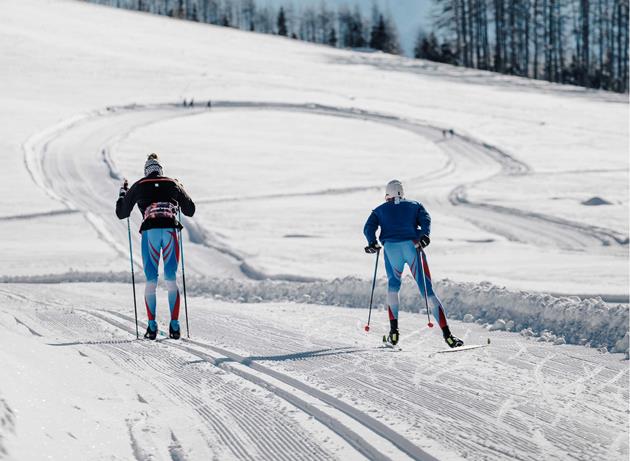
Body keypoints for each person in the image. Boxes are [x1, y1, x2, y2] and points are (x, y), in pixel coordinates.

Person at [363, 180, 463, 348]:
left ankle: (393, 333)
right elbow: (426, 219)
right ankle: (448, 336)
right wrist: (425, 235)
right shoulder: (415, 205)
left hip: (391, 249)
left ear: (388, 195)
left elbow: (368, 227)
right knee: (427, 291)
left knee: (393, 287)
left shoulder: (379, 210)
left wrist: (372, 242)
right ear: (402, 193)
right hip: (412, 247)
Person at [116, 153, 196, 340]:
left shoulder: (139, 185)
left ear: (146, 171)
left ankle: (151, 327)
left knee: (151, 279)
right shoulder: (172, 183)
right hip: (170, 231)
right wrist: (180, 189)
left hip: (150, 232)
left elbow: (122, 213)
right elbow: (190, 210)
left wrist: (122, 194)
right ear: (161, 170)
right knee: (170, 278)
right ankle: (174, 326)